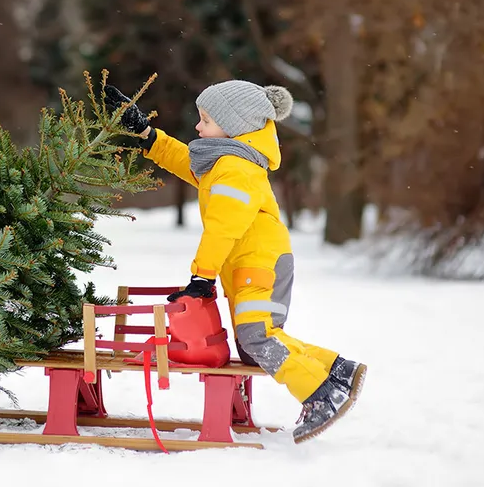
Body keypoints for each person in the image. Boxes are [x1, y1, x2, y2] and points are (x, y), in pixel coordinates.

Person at [105, 80, 367, 443]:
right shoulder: (227, 162)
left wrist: (202, 277)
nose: (198, 127)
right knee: (255, 342)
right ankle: (338, 370)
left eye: (206, 120)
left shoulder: (237, 170)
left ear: (235, 125)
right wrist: (147, 134)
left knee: (257, 339)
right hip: (256, 261)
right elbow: (188, 164)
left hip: (259, 263)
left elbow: (222, 230)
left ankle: (319, 394)